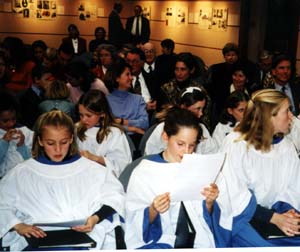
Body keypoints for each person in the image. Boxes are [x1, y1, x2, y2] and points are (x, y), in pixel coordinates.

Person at [0, 110, 125, 250]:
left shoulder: (91, 169)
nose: (58, 149)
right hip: (36, 238)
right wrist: (17, 225)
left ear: (72, 138)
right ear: (40, 141)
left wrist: (95, 218)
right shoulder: (21, 173)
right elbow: (2, 204)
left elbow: (115, 196)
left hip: (84, 236)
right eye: (50, 143)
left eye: (64, 142)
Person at [125, 107, 220, 249]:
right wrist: (153, 210)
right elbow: (133, 217)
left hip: (198, 239)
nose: (186, 151)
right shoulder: (144, 171)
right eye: (180, 144)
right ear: (165, 136)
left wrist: (209, 202)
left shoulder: (199, 166)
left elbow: (208, 219)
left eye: (192, 145)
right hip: (160, 240)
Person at [220, 89, 300, 246]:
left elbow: (294, 187)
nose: (291, 116)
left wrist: (287, 214)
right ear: (269, 117)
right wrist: (273, 218)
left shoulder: (286, 146)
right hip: (243, 220)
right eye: (286, 111)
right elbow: (233, 195)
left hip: (277, 213)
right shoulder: (236, 144)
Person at [145, 87, 217, 155]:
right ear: (183, 107)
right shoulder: (164, 127)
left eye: (202, 109)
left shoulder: (202, 128)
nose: (201, 113)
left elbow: (212, 151)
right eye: (197, 109)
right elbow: (150, 153)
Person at [76, 90, 132, 178]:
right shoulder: (77, 129)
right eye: (81, 115)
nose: (83, 120)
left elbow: (122, 165)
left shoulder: (114, 133)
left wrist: (95, 158)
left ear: (102, 114)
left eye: (88, 115)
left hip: (105, 178)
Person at [158, 52, 211, 129]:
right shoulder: (166, 89)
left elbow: (205, 119)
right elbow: (161, 117)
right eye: (176, 69)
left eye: (183, 69)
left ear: (191, 70)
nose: (179, 73)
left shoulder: (200, 91)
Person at [106, 58, 149, 149]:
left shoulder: (138, 99)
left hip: (136, 140)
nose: (131, 77)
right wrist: (133, 128)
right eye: (127, 74)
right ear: (117, 78)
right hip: (113, 141)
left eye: (131, 74)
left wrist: (122, 122)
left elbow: (145, 123)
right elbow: (107, 125)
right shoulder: (106, 100)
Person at [0, 90, 33, 178]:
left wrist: (22, 146)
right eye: (5, 121)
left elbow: (33, 161)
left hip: (27, 176)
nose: (10, 124)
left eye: (13, 119)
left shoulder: (25, 131)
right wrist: (4, 142)